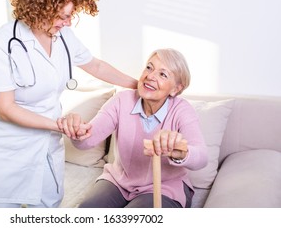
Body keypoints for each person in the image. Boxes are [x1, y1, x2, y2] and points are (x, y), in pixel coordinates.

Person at [0, 0, 137, 208]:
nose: (68, 22)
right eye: (63, 15)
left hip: (47, 148)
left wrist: (138, 84)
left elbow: (95, 65)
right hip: (8, 151)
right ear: (41, 6)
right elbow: (6, 110)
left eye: (71, 15)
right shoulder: (3, 43)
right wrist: (58, 125)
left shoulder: (64, 37)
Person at [59, 48, 208, 208]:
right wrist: (78, 132)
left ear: (176, 89)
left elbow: (202, 157)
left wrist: (181, 152)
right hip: (118, 182)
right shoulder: (121, 101)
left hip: (165, 187)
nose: (150, 76)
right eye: (149, 67)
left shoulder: (182, 110)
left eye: (163, 74)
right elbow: (87, 141)